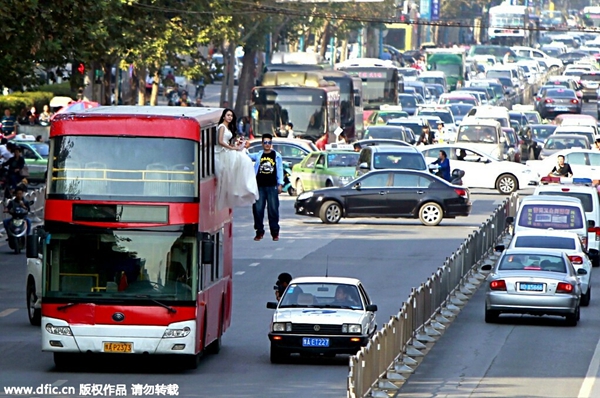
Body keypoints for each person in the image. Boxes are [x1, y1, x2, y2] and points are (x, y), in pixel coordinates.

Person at [214, 109, 259, 210]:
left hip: (227, 150)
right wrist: (232, 148)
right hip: (222, 152)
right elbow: (220, 141)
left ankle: (246, 188)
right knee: (243, 160)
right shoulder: (221, 127)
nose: (230, 117)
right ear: (224, 117)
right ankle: (241, 188)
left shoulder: (227, 127)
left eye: (231, 116)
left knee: (245, 160)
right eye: (228, 115)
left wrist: (235, 145)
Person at [246, 133, 284, 241]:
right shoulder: (259, 155)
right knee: (257, 210)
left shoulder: (276, 156)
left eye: (269, 142)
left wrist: (280, 184)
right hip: (259, 187)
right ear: (262, 144)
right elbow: (246, 156)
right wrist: (244, 147)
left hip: (272, 186)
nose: (267, 145)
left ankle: (275, 233)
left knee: (273, 210)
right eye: (265, 142)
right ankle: (259, 232)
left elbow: (280, 170)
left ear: (271, 144)